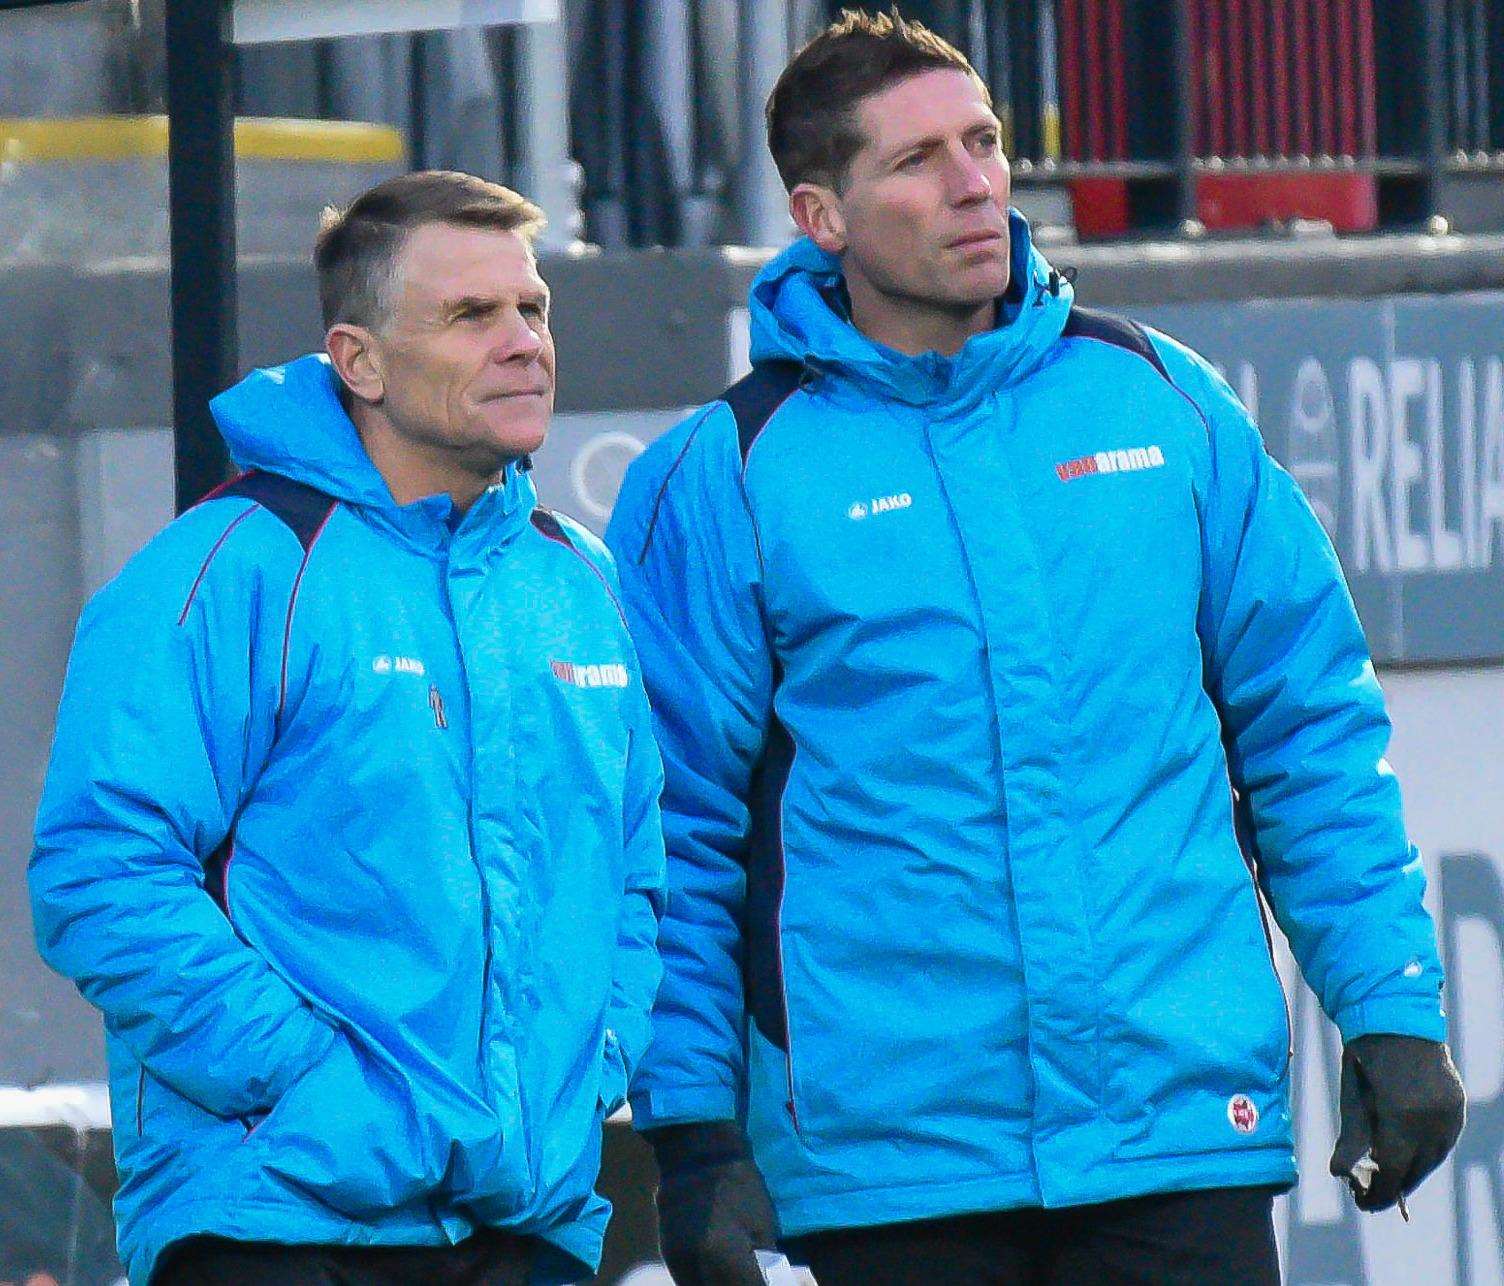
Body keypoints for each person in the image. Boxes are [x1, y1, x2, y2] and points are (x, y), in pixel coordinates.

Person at [604, 12, 1465, 1285]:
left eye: (985, 140)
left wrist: (1387, 1004)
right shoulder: (722, 472)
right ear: (819, 215)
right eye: (915, 160)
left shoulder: (1158, 399)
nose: (974, 183)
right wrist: (691, 1130)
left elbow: (1309, 730)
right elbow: (673, 830)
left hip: (1176, 1143)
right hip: (892, 1171)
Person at [29, 170, 666, 1286]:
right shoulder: (230, 566)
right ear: (357, 359)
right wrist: (312, 1082)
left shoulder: (578, 578)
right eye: (472, 315)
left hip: (528, 1222)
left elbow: (638, 872)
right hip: (276, 1218)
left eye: (533, 309)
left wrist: (593, 1060)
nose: (523, 341)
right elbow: (99, 870)